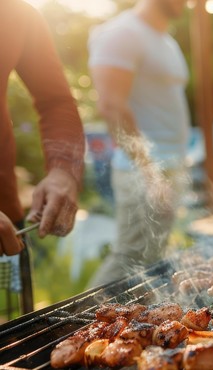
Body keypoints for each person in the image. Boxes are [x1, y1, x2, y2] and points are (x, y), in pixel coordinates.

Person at [87, 0, 190, 287]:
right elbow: (111, 106)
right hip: (141, 169)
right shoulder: (123, 32)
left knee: (151, 261)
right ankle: (71, 327)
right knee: (128, 258)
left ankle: (127, 329)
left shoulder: (166, 41)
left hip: (170, 165)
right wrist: (149, 172)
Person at [1, 0, 85, 311]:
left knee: (13, 348)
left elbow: (56, 102)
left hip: (5, 235)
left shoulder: (16, 13)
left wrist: (63, 170)